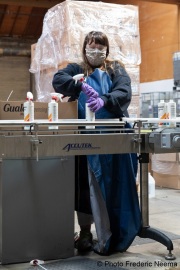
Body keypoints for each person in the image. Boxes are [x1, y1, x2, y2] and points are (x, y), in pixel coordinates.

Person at [52, 31, 141, 255]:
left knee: (116, 184)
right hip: (85, 138)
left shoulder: (115, 69)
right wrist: (79, 86)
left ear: (107, 50)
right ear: (84, 49)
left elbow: (123, 91)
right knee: (84, 185)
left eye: (100, 47)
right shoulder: (77, 68)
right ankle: (85, 233)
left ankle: (116, 230)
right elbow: (58, 80)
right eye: (92, 47)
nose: (96, 51)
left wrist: (104, 99)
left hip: (114, 137)